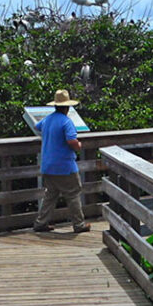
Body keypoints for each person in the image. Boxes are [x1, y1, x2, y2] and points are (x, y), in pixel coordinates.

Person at [32, 89, 91, 233]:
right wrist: (79, 145)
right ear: (67, 107)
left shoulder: (47, 119)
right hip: (65, 166)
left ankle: (41, 223)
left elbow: (36, 126)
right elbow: (72, 141)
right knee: (73, 194)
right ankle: (79, 224)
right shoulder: (66, 122)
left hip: (48, 165)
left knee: (50, 195)